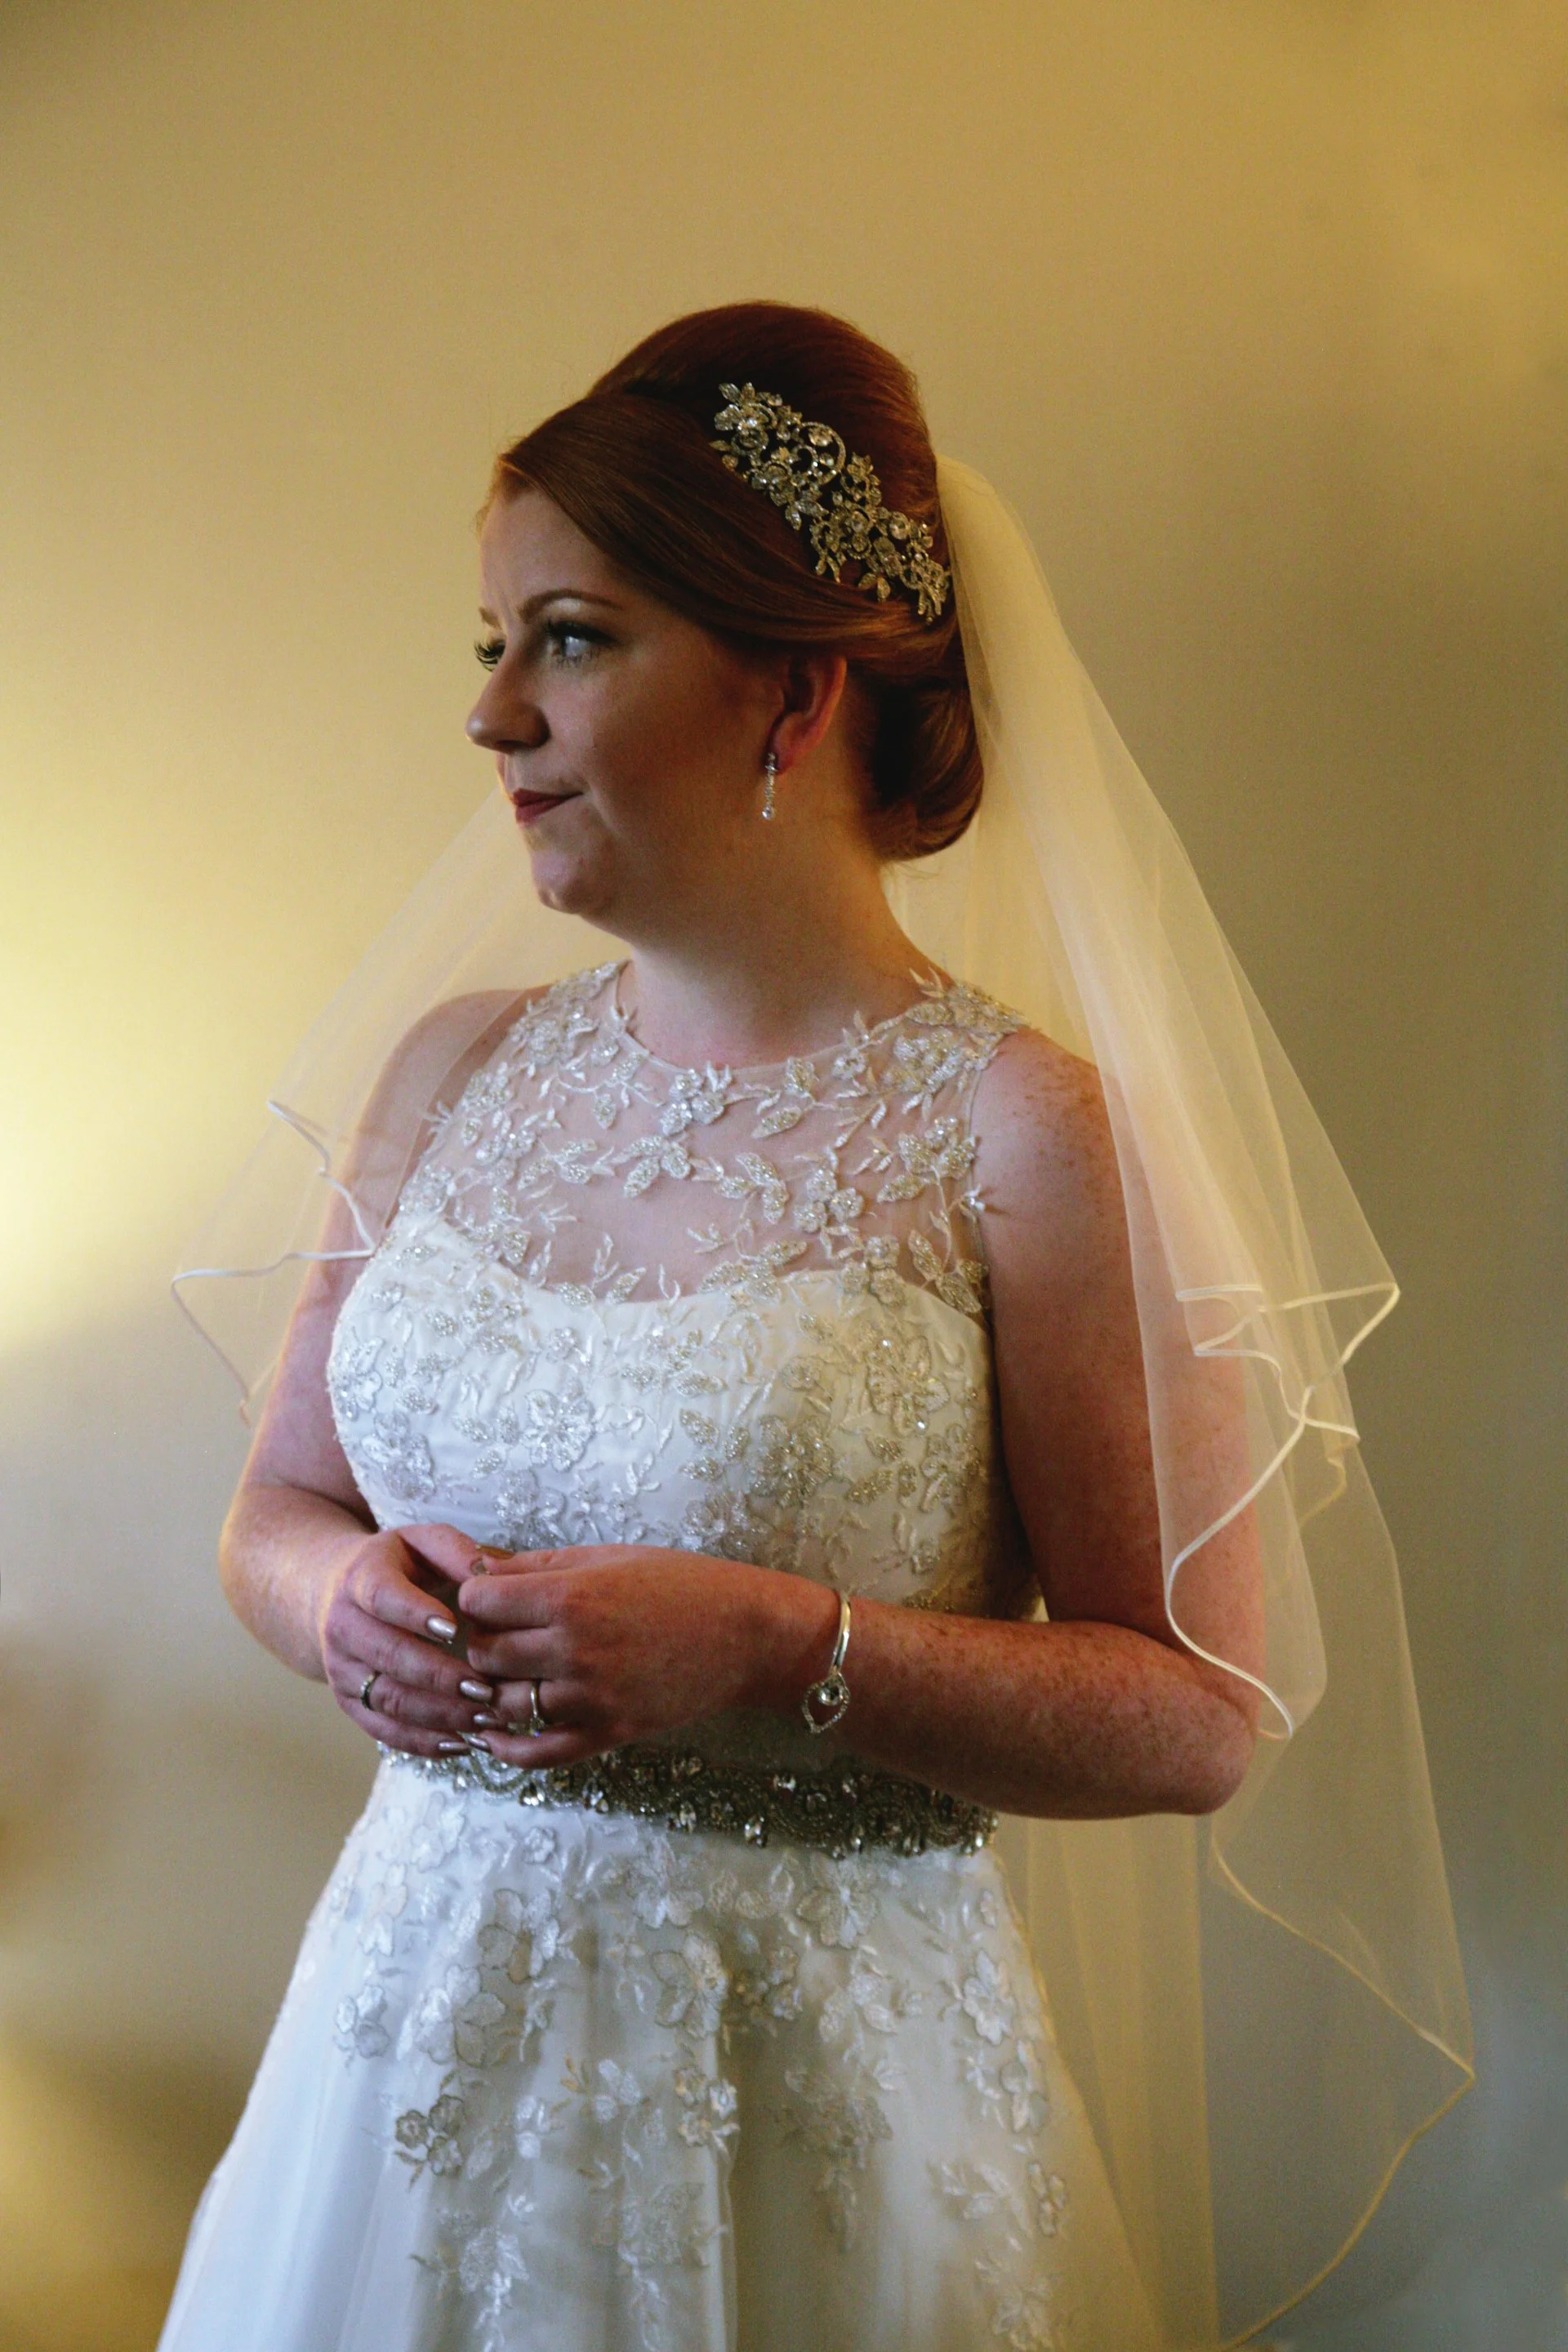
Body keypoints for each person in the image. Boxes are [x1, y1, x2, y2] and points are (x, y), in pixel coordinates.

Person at [164, 304, 1470, 2352]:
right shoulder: (447, 1072)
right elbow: (275, 1515)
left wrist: (787, 1649)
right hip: (399, 2057)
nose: (495, 715)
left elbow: (1202, 1711)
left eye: (569, 638)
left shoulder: (1013, 1125)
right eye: (489, 643)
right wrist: (339, 1604)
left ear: (793, 690)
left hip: (810, 2101)